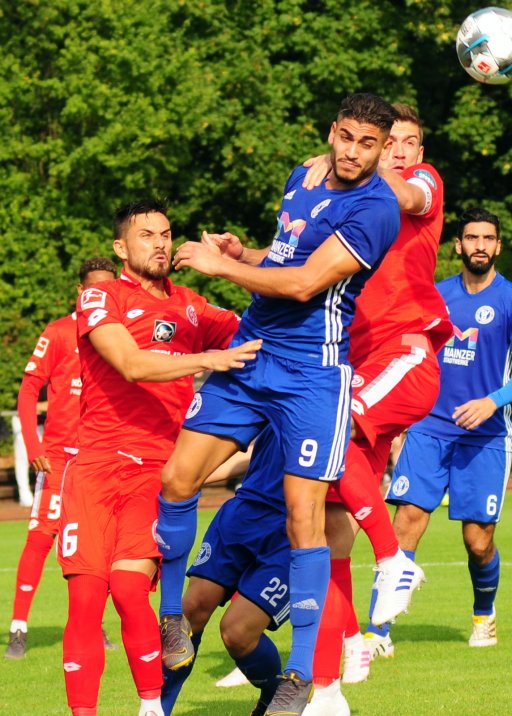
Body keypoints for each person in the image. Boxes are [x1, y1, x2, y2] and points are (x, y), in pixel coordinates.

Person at [155, 93, 401, 716]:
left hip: (312, 373)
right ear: (332, 131)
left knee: (303, 518)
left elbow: (303, 283)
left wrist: (217, 268)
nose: (352, 152)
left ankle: (300, 674)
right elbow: (283, 261)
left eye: (367, 144)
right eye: (345, 137)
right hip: (253, 350)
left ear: (381, 148)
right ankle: (171, 623)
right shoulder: (303, 174)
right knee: (178, 477)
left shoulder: (377, 207)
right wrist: (243, 256)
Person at [57, 199, 261, 716]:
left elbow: (262, 332)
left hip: (156, 473)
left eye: (166, 234)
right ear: (121, 247)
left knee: (129, 590)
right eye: (147, 235)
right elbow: (129, 363)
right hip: (94, 467)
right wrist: (207, 359)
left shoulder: (194, 306)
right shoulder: (101, 295)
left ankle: (151, 708)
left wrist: (236, 265)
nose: (161, 243)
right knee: (85, 600)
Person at [299, 103, 453, 713]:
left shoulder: (422, 183)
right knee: (329, 523)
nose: (402, 151)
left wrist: (341, 163)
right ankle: (333, 672)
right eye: (393, 143)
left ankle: (395, 563)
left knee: (326, 446)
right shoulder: (359, 206)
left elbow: (410, 195)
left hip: (404, 354)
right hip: (353, 365)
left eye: (409, 142)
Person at [385, 207, 512, 651]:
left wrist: (491, 401)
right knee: (406, 525)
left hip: (486, 437)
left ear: (498, 246)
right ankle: (380, 633)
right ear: (458, 244)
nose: (479, 246)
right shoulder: (434, 295)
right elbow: (413, 358)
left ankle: (483, 614)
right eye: (471, 238)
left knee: (477, 541)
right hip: (429, 429)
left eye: (487, 239)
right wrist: (400, 417)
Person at [4, 257, 117, 661]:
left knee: (96, 547)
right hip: (56, 460)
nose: (100, 296)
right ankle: (18, 629)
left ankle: (93, 623)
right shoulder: (58, 332)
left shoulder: (120, 333)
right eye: (93, 289)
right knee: (39, 539)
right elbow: (28, 390)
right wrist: (35, 449)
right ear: (79, 292)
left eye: (108, 289)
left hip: (98, 459)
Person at [160, 426, 290, 716]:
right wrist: (185, 476)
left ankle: (274, 695)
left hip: (291, 530)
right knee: (189, 612)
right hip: (242, 515)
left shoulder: (345, 404)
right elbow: (246, 449)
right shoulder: (275, 387)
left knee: (237, 632)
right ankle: (156, 710)